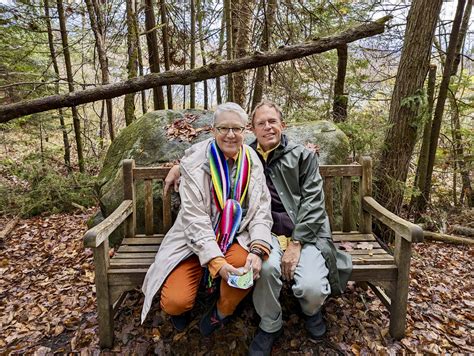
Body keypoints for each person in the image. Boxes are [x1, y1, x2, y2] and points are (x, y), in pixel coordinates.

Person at [163, 100, 352, 355]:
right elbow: (206, 150)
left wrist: (294, 243)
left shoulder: (294, 157)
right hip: (237, 237)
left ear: (282, 125)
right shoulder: (242, 152)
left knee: (308, 286)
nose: (268, 128)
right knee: (265, 267)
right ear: (252, 129)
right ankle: (269, 325)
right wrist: (180, 166)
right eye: (261, 123)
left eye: (272, 122)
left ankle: (311, 311)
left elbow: (310, 204)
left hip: (300, 235)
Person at [141, 102, 273, 337]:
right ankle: (182, 310)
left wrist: (258, 249)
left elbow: (262, 211)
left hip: (234, 238)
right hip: (193, 242)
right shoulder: (195, 163)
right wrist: (217, 263)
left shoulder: (252, 161)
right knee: (175, 302)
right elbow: (195, 221)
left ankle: (220, 312)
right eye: (223, 128)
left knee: (246, 270)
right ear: (213, 130)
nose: (230, 135)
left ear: (245, 131)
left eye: (237, 129)